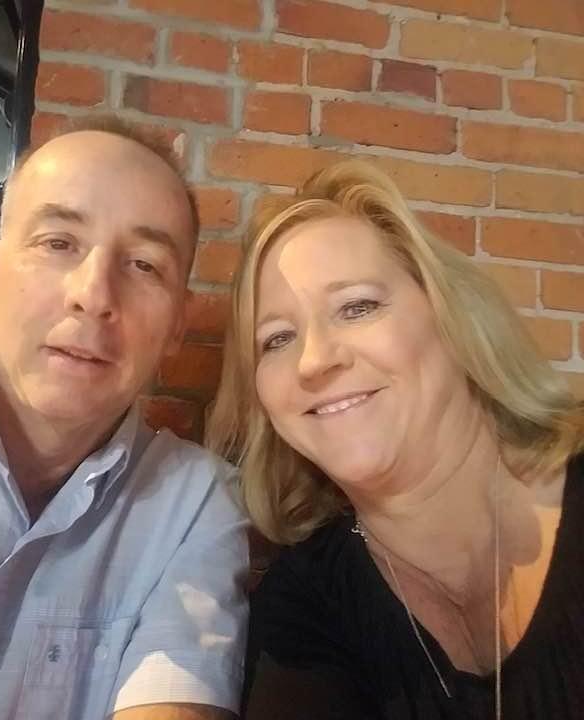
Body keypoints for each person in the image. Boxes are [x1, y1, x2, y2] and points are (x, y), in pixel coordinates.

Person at [0, 117, 248, 720]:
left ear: (177, 326)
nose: (94, 295)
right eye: (58, 243)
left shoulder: (194, 506)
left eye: (144, 264)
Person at [207, 159, 584, 719]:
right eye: (277, 339)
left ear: (451, 316)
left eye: (356, 307)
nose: (313, 360)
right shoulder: (306, 604)